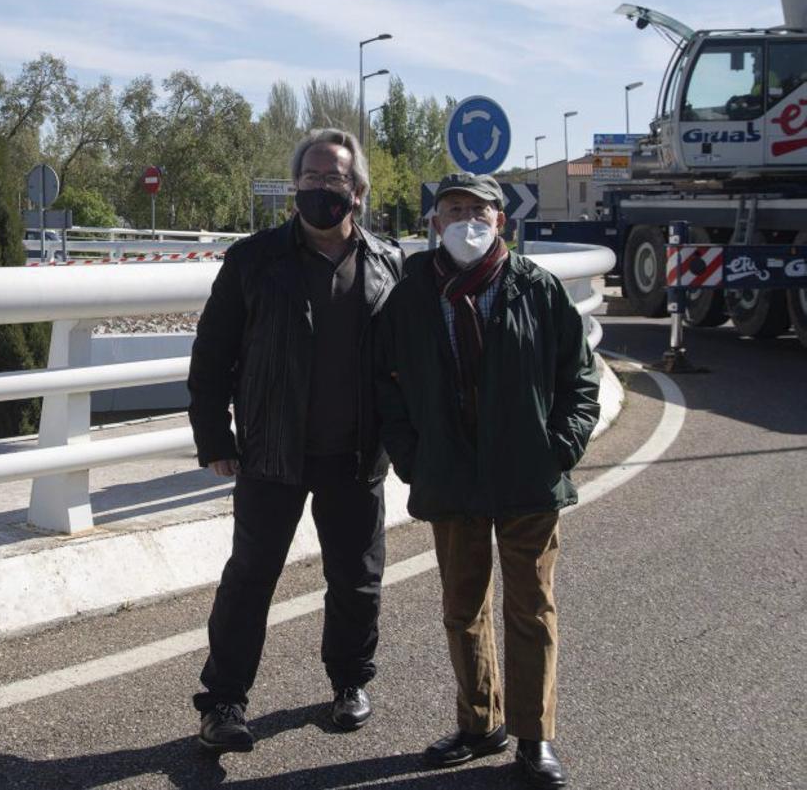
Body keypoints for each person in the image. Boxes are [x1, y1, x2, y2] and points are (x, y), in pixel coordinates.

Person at [375, 172, 599, 788]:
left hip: (529, 476)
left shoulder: (538, 290)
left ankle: (535, 737)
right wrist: (411, 457)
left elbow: (580, 380)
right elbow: (384, 385)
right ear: (434, 223)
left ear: (502, 221)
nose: (467, 220)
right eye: (453, 209)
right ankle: (480, 723)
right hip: (450, 475)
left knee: (532, 609)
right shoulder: (411, 294)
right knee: (462, 606)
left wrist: (560, 448)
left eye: (479, 210)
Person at [188, 127, 405, 752]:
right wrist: (214, 437)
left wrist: (410, 442)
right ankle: (224, 701)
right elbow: (212, 358)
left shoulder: (390, 265)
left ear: (357, 192)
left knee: (357, 580)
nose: (320, 190)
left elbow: (408, 364)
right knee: (250, 579)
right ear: (294, 191)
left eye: (333, 180)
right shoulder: (253, 260)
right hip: (270, 453)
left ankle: (349, 682)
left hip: (356, 454)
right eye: (309, 179)